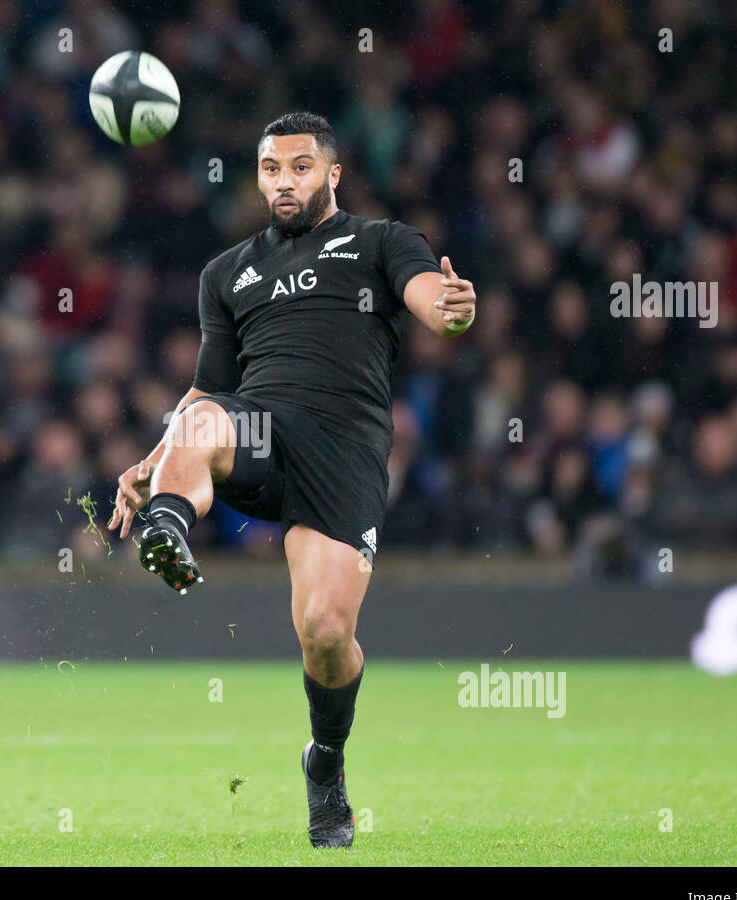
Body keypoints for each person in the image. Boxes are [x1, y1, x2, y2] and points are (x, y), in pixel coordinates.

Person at [107, 112, 476, 847]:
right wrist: (152, 465)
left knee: (326, 633)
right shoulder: (227, 272)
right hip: (262, 433)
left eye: (300, 167)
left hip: (344, 451)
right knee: (207, 416)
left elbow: (428, 296)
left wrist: (450, 310)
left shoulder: (380, 242)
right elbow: (203, 392)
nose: (284, 181)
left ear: (332, 173)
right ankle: (170, 528)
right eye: (271, 169)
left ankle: (325, 762)